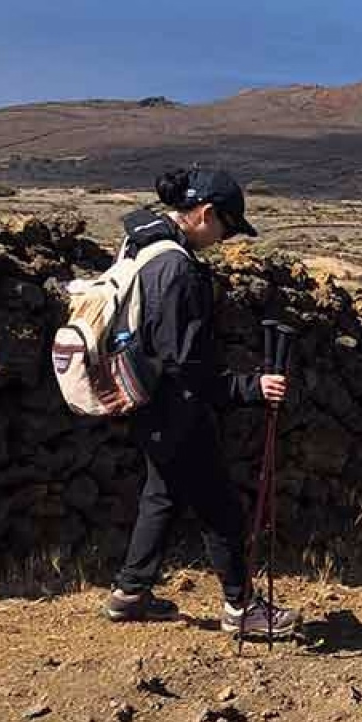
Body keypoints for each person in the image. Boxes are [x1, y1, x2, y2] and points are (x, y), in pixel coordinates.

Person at [104, 167, 299, 638]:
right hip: (176, 404)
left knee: (162, 493)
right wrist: (251, 389)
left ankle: (130, 594)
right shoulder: (180, 270)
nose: (226, 238)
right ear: (207, 214)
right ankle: (242, 609)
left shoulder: (142, 245)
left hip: (140, 394)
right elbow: (189, 366)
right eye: (227, 227)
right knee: (221, 508)